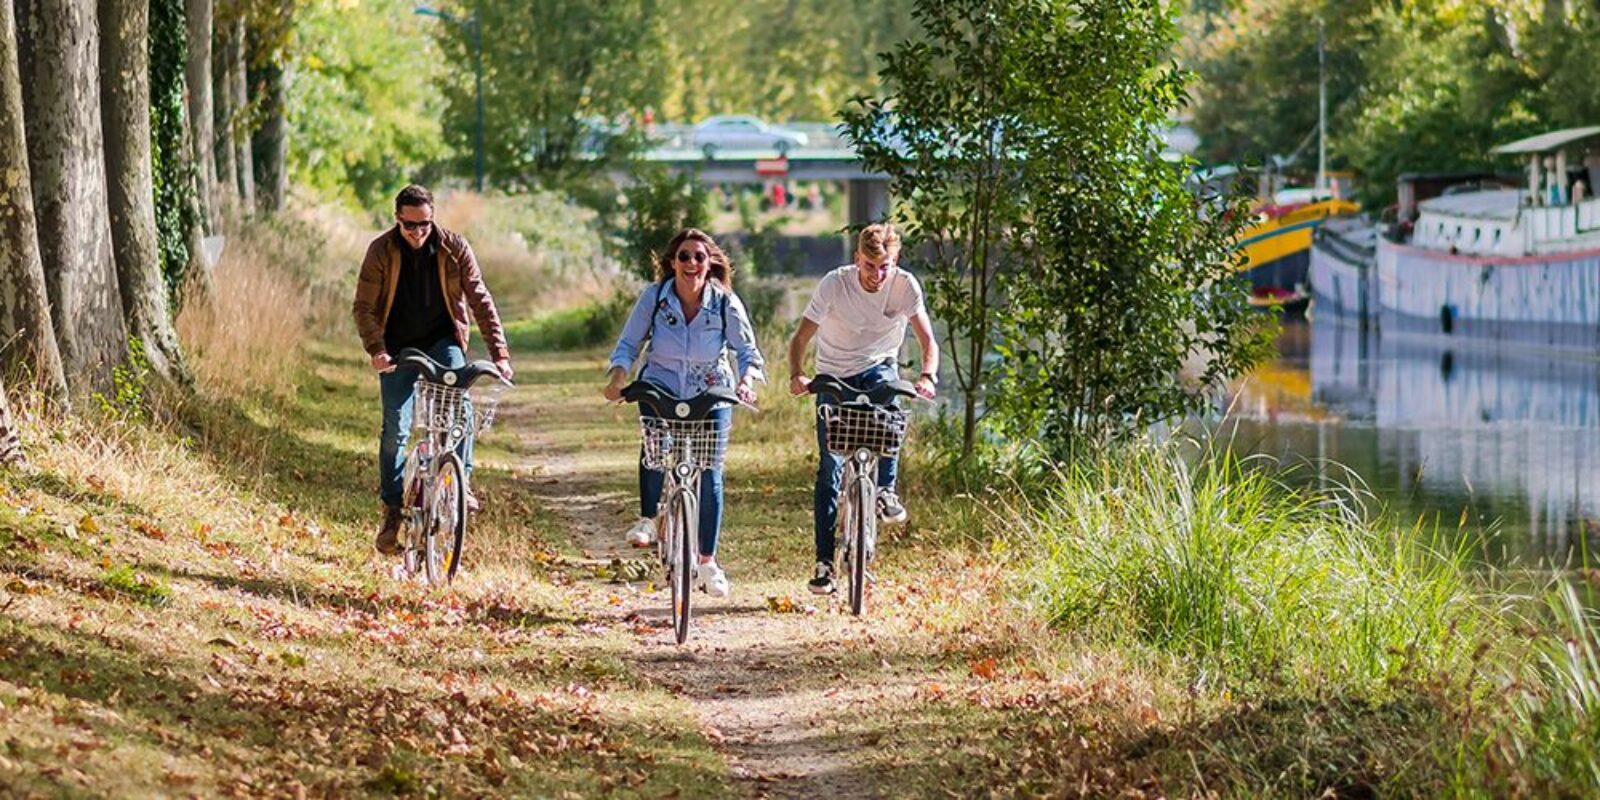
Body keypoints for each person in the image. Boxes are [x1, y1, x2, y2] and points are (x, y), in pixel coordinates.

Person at [352, 184, 513, 556]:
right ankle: (393, 510)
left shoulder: (454, 248)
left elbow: (480, 299)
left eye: (424, 224)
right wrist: (377, 350)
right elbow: (363, 307)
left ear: (432, 218)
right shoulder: (380, 251)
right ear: (397, 219)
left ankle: (461, 483)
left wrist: (500, 355)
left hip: (443, 341)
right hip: (397, 347)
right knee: (396, 427)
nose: (417, 232)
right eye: (410, 225)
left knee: (460, 408)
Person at [603, 229, 764, 598]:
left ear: (710, 264)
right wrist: (618, 378)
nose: (692, 263)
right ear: (672, 263)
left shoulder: (724, 302)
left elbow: (746, 352)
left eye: (699, 257)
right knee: (655, 450)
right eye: (684, 256)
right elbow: (629, 343)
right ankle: (648, 519)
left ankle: (707, 561)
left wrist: (746, 382)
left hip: (711, 389)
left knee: (710, 470)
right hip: (660, 383)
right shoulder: (655, 297)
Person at [787, 223, 938, 595]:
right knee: (830, 468)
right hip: (834, 374)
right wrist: (797, 375)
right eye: (870, 266)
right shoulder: (834, 284)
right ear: (857, 259)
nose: (877, 275)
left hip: (878, 368)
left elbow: (927, 341)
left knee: (892, 406)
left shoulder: (905, 286)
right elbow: (800, 338)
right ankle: (824, 563)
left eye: (885, 266)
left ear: (895, 261)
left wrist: (927, 376)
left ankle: (885, 490)